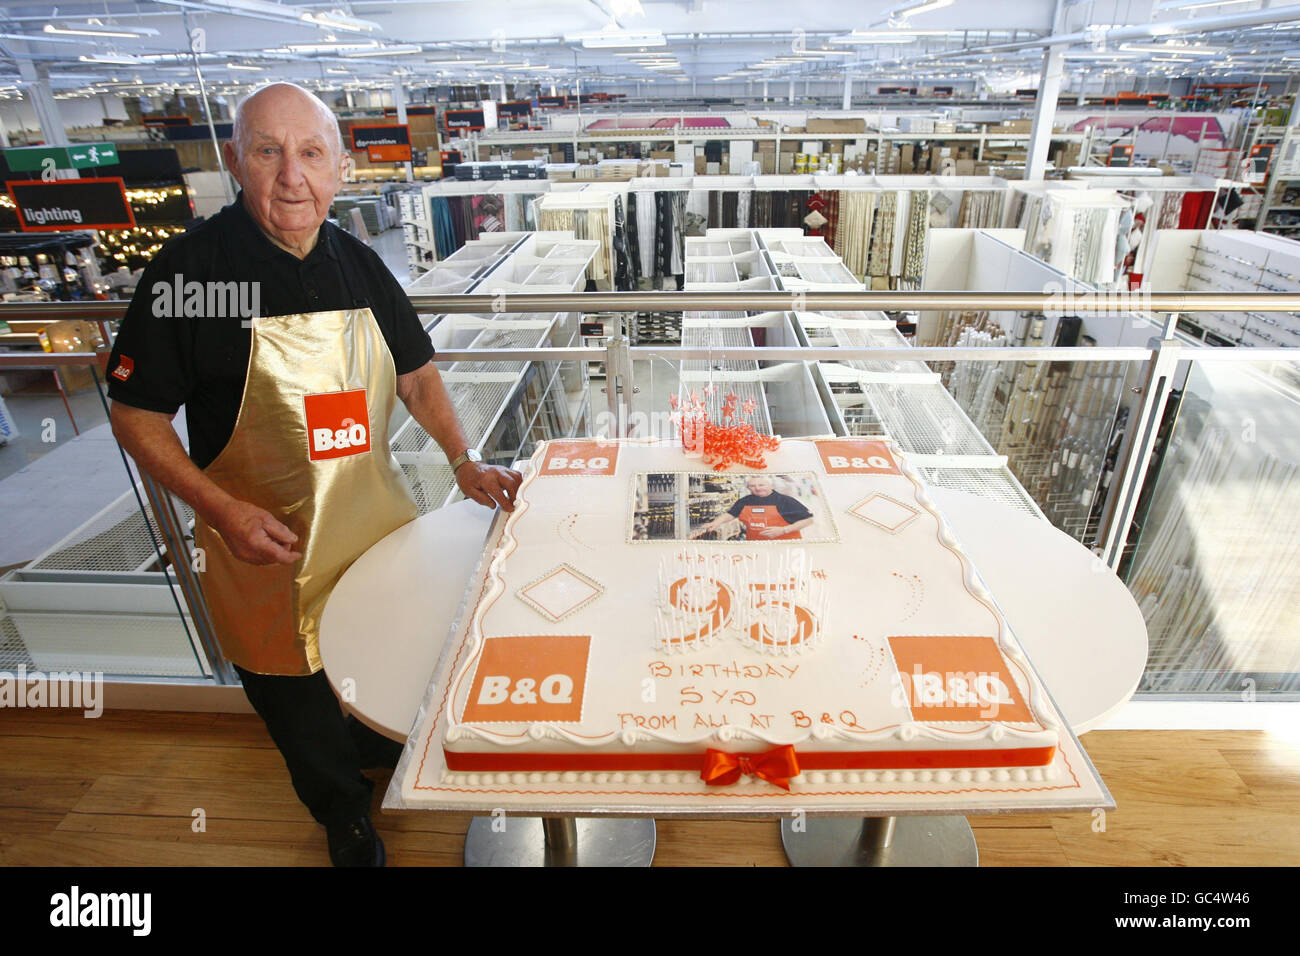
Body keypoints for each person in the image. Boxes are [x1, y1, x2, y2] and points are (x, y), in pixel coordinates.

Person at [106, 82, 521, 866]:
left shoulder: (358, 261)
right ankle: (345, 817)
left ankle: (378, 754)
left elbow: (419, 375)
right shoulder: (189, 275)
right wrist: (220, 509)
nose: (291, 177)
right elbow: (135, 414)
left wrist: (463, 459)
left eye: (310, 154)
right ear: (236, 161)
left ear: (340, 168)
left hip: (370, 529)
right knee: (297, 702)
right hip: (265, 549)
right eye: (268, 152)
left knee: (379, 661)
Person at [689, 476, 814, 541]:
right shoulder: (745, 501)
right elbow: (731, 514)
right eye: (752, 486)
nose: (757, 488)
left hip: (784, 547)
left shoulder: (785, 501)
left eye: (761, 485)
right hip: (756, 547)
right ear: (748, 488)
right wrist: (716, 522)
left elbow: (808, 520)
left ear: (771, 485)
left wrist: (783, 530)